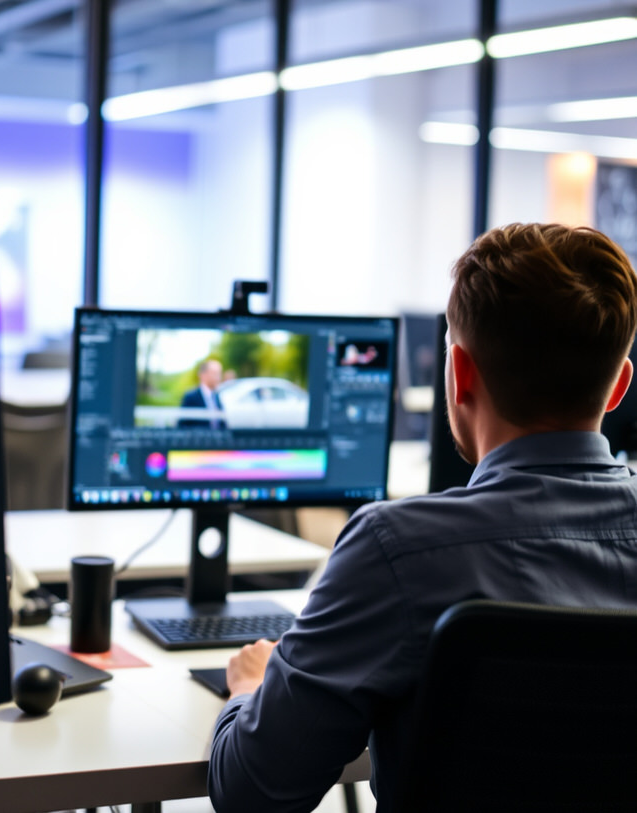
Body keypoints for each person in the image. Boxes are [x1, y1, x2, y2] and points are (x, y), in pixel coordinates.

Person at [208, 223, 637, 813]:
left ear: (459, 375)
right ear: (618, 385)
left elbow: (252, 792)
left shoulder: (398, 551)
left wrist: (251, 691)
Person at [178, 358, 227, 428]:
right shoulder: (191, 397)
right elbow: (182, 425)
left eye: (219, 374)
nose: (218, 378)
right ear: (203, 375)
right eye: (215, 373)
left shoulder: (216, 396)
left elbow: (222, 422)